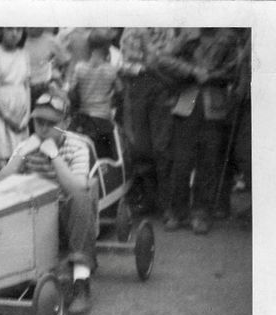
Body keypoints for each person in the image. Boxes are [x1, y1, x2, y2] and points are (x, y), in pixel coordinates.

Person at [0, 91, 96, 315]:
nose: (43, 128)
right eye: (39, 121)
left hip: (66, 218)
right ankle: (13, 275)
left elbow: (79, 189)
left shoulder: (77, 146)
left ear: (66, 123)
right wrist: (21, 155)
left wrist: (54, 157)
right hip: (35, 217)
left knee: (81, 199)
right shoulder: (27, 146)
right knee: (5, 198)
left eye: (52, 123)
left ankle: (81, 283)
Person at [155, 27, 239, 235]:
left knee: (208, 164)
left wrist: (209, 75)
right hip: (187, 103)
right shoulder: (188, 34)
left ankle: (201, 214)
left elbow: (234, 70)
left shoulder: (227, 37)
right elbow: (162, 59)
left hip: (214, 107)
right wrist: (192, 71)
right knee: (181, 162)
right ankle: (177, 212)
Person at [118, 27, 177, 216]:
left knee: (162, 147)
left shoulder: (166, 28)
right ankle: (150, 200)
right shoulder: (131, 29)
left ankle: (168, 204)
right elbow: (123, 64)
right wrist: (142, 67)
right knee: (141, 147)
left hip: (161, 86)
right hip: (137, 86)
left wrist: (152, 63)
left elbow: (167, 59)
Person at [0, 27, 31, 177]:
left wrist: (26, 115)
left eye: (19, 30)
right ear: (1, 31)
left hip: (20, 113)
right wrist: (7, 116)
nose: (15, 34)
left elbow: (26, 85)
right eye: (10, 29)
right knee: (1, 165)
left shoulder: (24, 54)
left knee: (20, 161)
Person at [68, 30, 122, 159]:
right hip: (103, 120)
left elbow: (72, 93)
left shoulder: (79, 68)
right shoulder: (111, 70)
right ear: (106, 48)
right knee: (105, 158)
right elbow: (120, 92)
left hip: (83, 120)